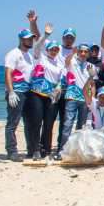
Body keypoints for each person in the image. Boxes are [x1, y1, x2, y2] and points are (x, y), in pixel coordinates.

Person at [56, 43, 96, 160]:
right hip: (72, 96)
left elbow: (92, 85)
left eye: (85, 52)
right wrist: (72, 53)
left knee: (81, 126)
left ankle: (77, 151)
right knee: (67, 124)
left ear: (88, 54)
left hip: (85, 98)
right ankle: (62, 151)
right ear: (78, 52)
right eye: (81, 51)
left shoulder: (91, 66)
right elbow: (66, 61)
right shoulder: (72, 62)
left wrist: (92, 99)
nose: (83, 54)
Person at [30, 29, 66, 159]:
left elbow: (62, 78)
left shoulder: (59, 64)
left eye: (56, 49)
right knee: (37, 122)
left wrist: (59, 87)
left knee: (49, 124)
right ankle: (35, 149)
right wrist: (45, 36)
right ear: (47, 49)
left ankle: (47, 150)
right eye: (52, 49)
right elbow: (37, 46)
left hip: (51, 97)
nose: (54, 51)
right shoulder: (40, 58)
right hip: (37, 94)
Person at [4, 24, 37, 161]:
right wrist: (11, 92)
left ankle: (31, 150)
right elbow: (8, 73)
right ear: (21, 39)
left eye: (31, 39)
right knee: (13, 123)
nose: (30, 41)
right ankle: (11, 151)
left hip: (28, 92)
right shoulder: (13, 54)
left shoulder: (29, 55)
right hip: (17, 92)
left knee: (29, 122)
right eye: (27, 39)